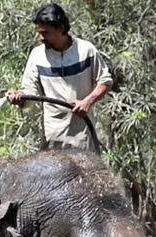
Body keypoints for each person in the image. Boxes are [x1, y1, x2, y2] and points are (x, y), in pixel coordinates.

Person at [6, 3, 113, 151]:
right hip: (53, 139)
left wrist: (87, 102)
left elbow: (105, 81)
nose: (40, 38)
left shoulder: (85, 50)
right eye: (38, 32)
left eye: (45, 33)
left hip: (83, 137)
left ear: (61, 29)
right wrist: (20, 97)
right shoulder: (37, 56)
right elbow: (31, 94)